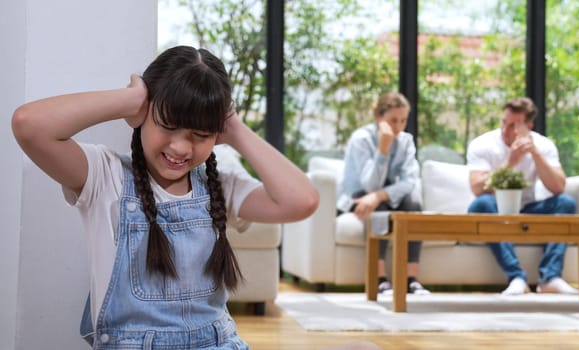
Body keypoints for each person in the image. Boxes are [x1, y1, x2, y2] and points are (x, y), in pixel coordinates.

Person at [12, 46, 379, 350]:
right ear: (142, 115)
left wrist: (234, 127)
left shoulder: (221, 186)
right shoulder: (103, 176)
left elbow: (304, 200)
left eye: (200, 134)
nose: (180, 147)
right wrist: (132, 99)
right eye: (167, 126)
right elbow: (29, 125)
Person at [466, 96, 578, 296]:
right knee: (482, 204)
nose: (505, 130)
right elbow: (476, 187)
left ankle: (550, 278)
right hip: (496, 209)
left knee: (565, 203)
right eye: (504, 122)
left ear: (528, 126)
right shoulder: (482, 144)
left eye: (513, 126)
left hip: (528, 209)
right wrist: (511, 161)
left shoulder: (544, 146)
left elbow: (558, 187)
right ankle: (517, 277)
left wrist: (534, 153)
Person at [337, 91, 429, 296]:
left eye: (403, 120)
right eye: (393, 120)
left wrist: (379, 195)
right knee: (380, 207)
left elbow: (408, 182)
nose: (398, 127)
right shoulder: (361, 139)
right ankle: (379, 279)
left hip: (385, 196)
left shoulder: (406, 141)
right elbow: (370, 185)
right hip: (358, 196)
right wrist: (383, 148)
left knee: (413, 202)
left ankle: (410, 279)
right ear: (379, 117)